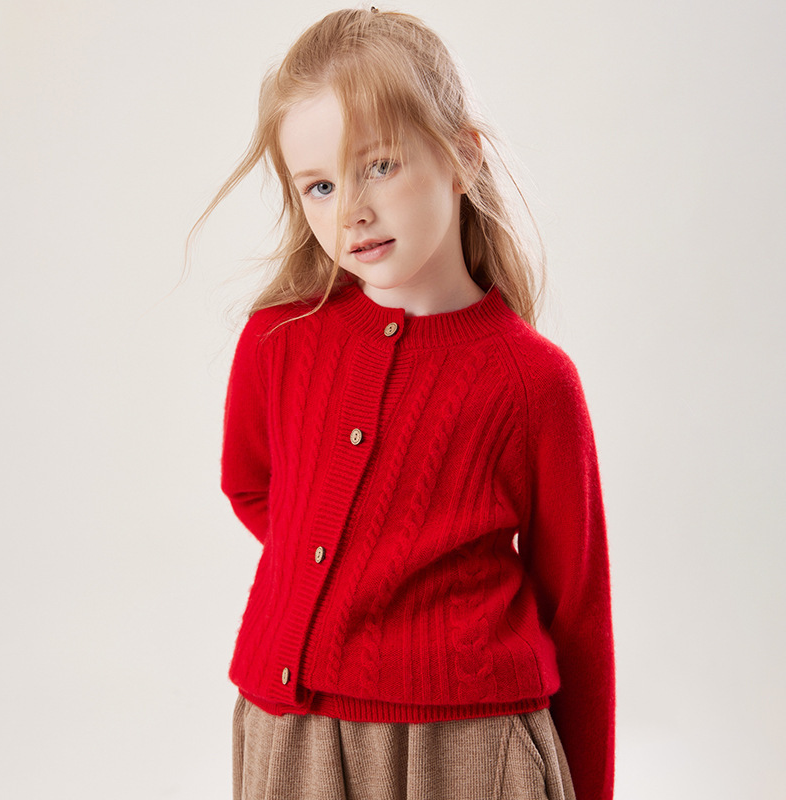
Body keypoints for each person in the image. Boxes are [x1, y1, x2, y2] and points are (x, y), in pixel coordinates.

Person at [188, 7, 615, 799]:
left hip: (473, 742)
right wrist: (360, 575)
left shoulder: (532, 381)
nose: (350, 209)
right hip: (294, 729)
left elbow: (578, 613)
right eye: (319, 186)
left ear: (462, 158)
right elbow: (253, 485)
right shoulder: (278, 338)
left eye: (378, 166)